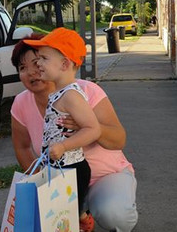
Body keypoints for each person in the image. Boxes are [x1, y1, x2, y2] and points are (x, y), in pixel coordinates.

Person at [10, 33, 138, 232]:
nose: (31, 72)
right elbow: (23, 147)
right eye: (22, 68)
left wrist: (86, 126)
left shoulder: (86, 91)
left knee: (113, 213)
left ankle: (92, 208)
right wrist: (40, 185)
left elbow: (119, 139)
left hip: (103, 176)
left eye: (38, 61)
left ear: (61, 63)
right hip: (59, 179)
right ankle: (78, 213)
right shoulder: (20, 103)